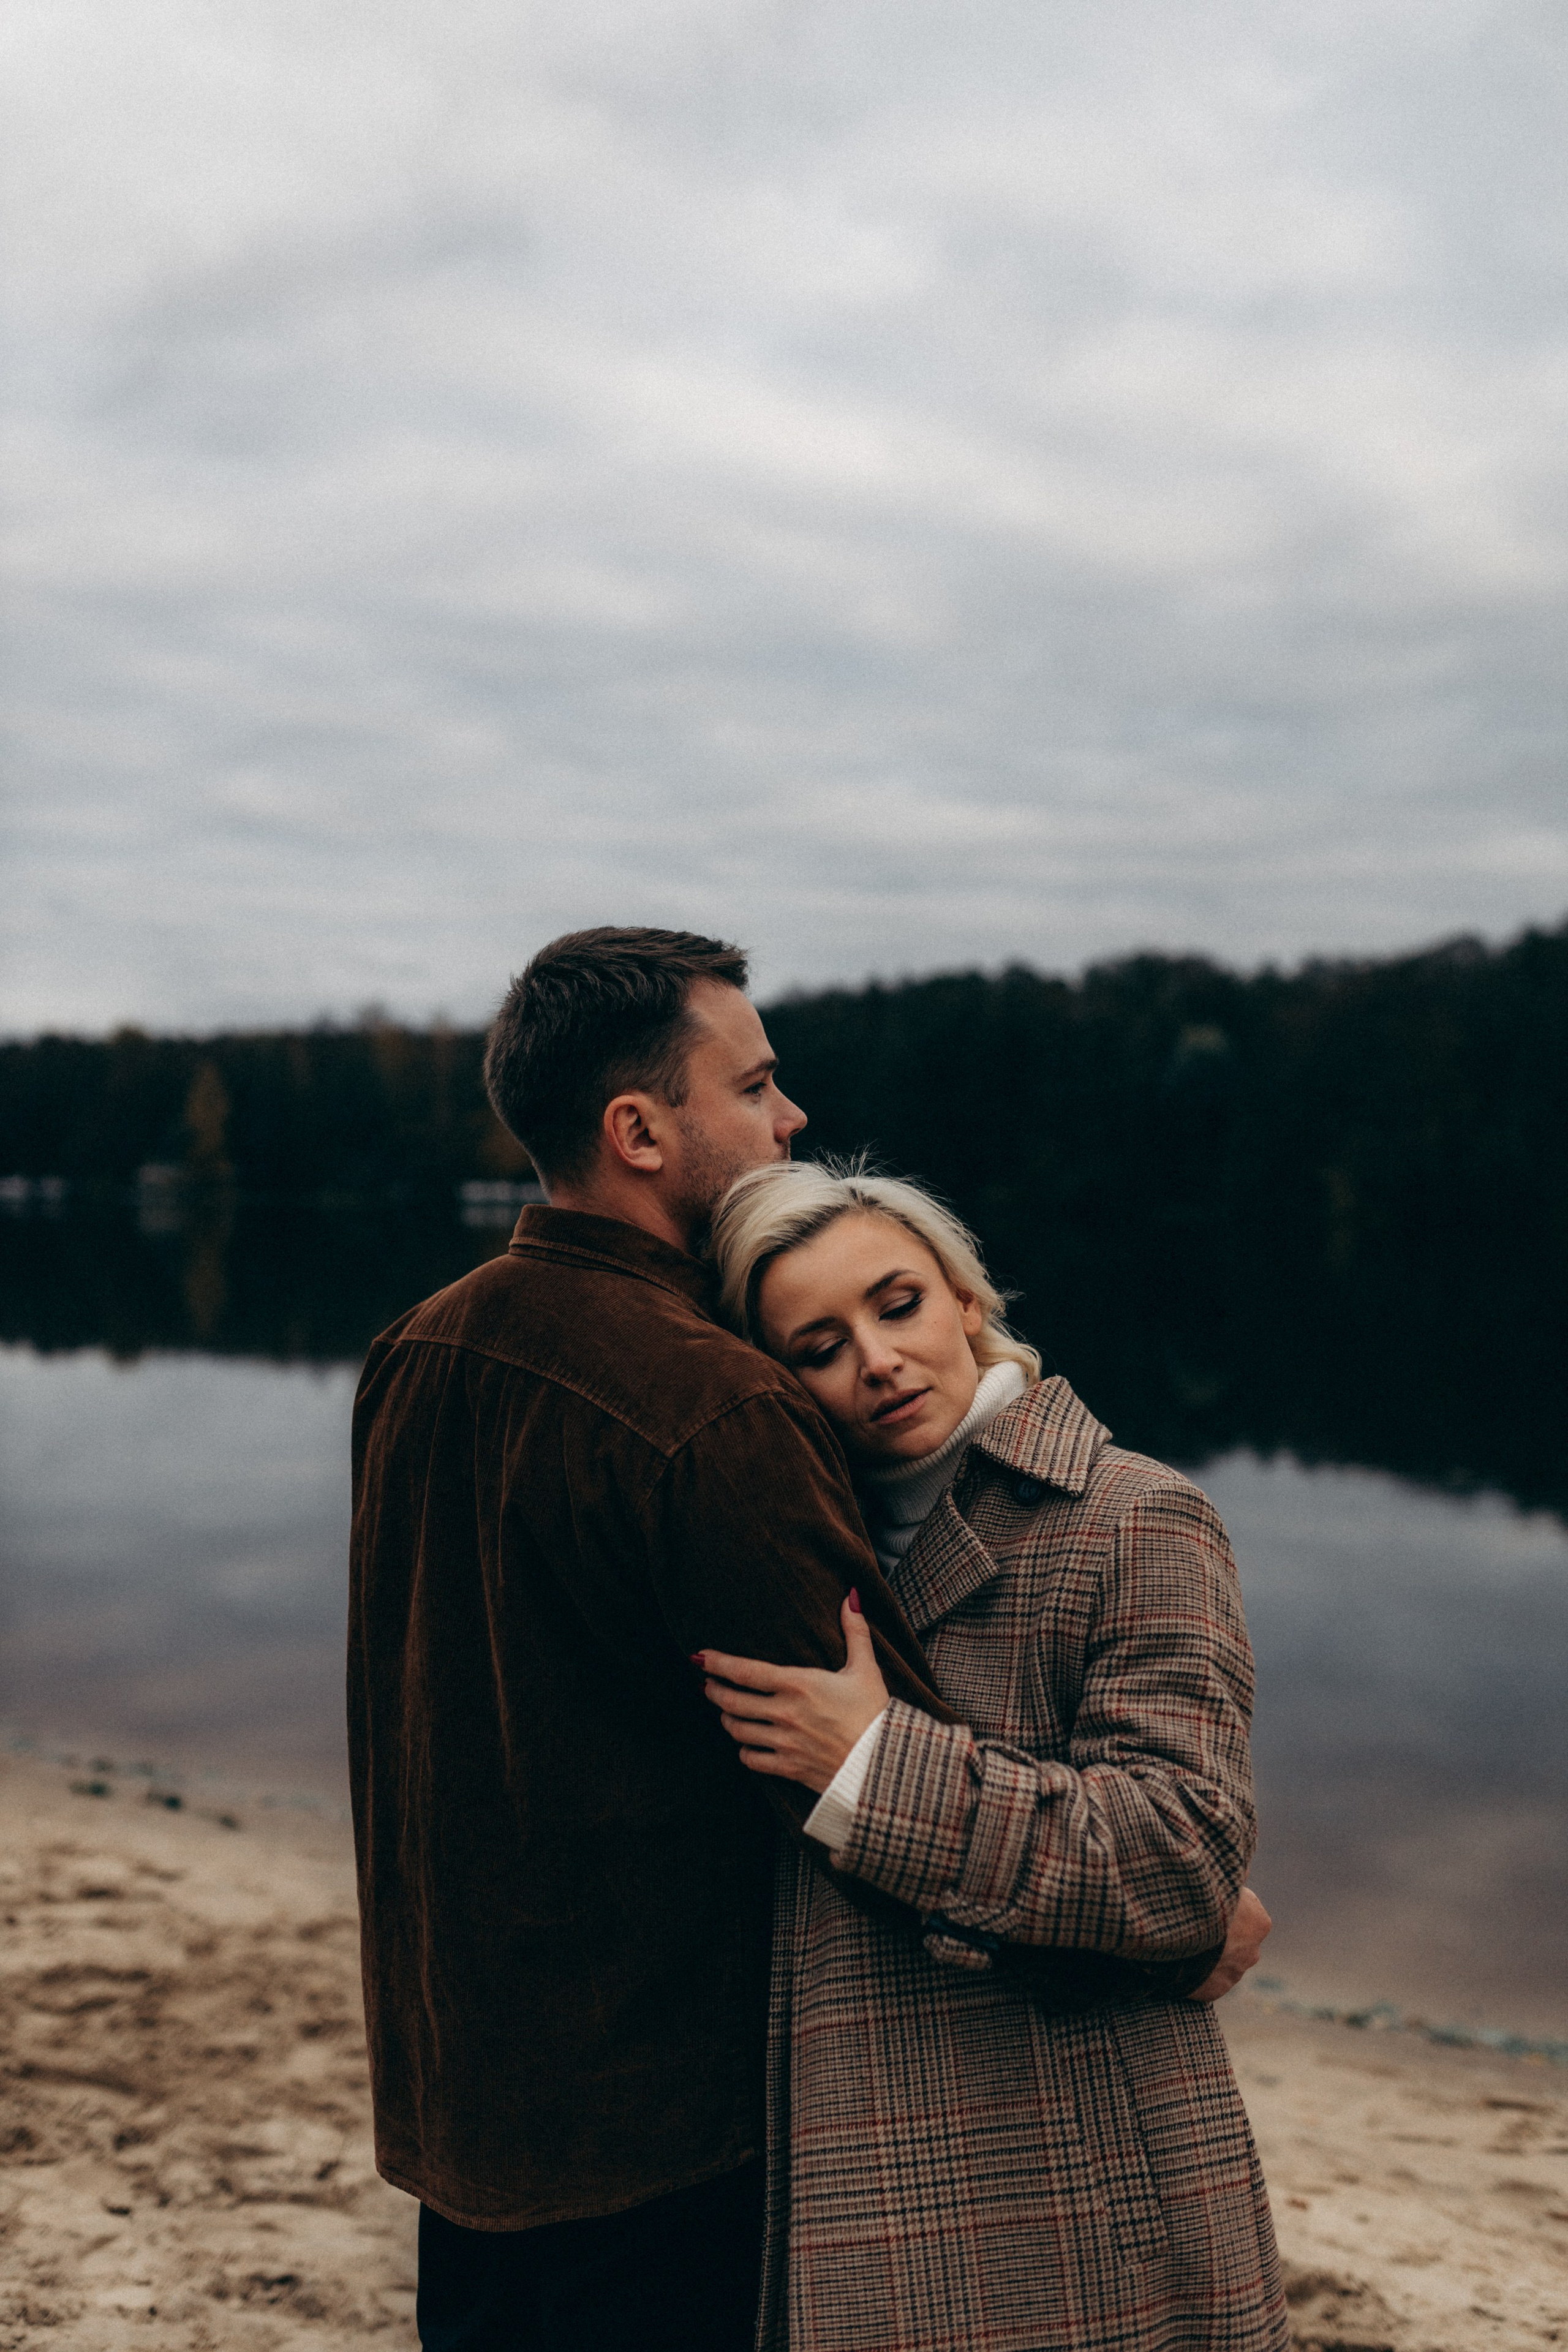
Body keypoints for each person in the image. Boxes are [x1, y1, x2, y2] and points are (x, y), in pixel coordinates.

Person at [349, 926, 1266, 2351]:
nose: (791, 1118)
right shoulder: (709, 1403)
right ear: (639, 1128)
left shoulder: (414, 1350)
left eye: (895, 1308)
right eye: (757, 1084)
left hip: (461, 2109)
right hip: (663, 2139)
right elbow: (857, 1763)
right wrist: (1179, 1932)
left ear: (965, 1303)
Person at [695, 1159, 1287, 2352]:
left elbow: (1179, 1857)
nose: (874, 1360)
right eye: (816, 1346)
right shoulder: (786, 1547)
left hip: (1069, 2170)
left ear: (965, 1299)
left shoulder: (1132, 1515)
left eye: (896, 1304)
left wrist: (871, 1770)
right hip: (849, 2166)